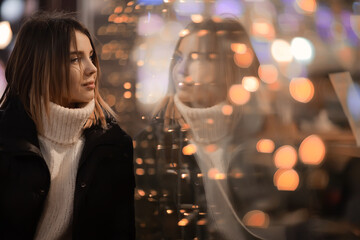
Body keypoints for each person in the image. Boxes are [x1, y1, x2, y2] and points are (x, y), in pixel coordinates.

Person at [134, 17, 277, 240]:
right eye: (180, 57)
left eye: (198, 58)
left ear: (229, 66)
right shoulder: (155, 143)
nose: (181, 70)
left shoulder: (261, 138)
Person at [0, 12, 135, 240]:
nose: (92, 68)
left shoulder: (113, 145)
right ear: (40, 67)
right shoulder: (5, 138)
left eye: (91, 56)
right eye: (75, 59)